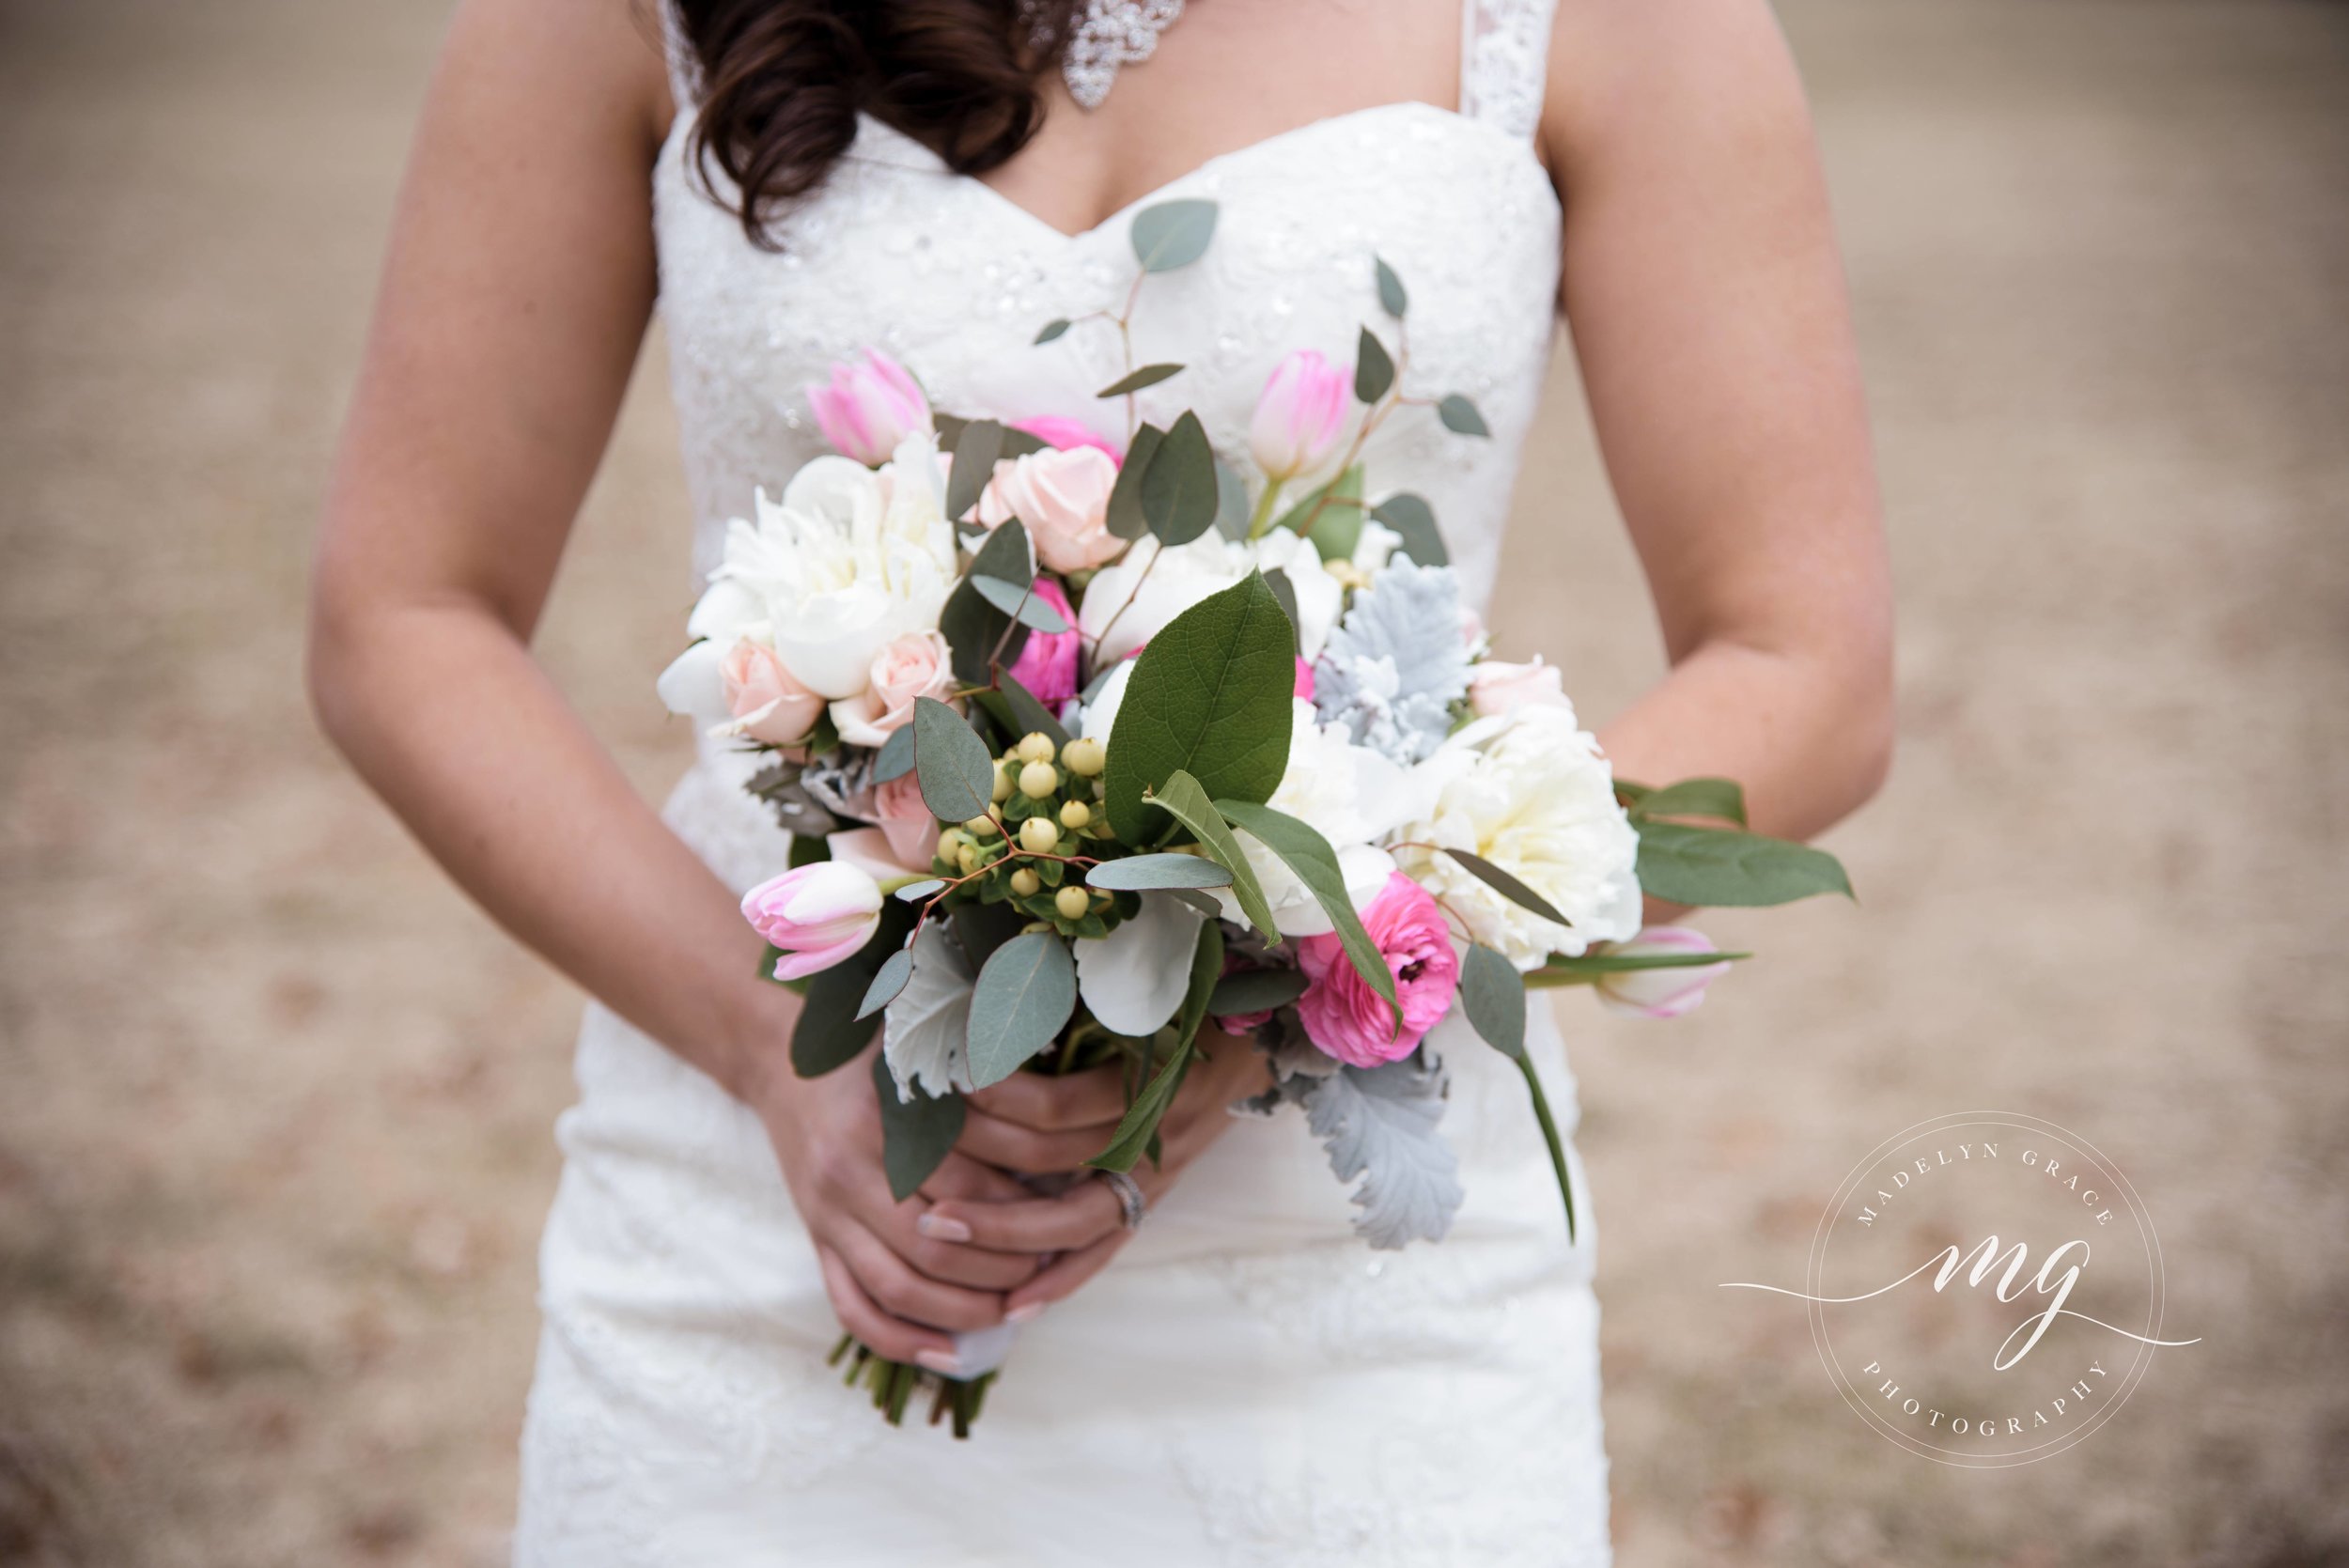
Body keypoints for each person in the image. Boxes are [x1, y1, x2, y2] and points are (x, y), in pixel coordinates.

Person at [307, 0, 1892, 1560]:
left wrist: (1301, 978)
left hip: (1354, 1312)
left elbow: (1801, 666)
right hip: (765, 1230)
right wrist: (765, 1042)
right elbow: (405, 614)